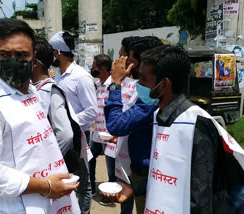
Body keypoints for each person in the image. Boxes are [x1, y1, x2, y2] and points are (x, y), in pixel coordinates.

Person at [0, 18, 80, 214]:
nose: (13, 61)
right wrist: (45, 186)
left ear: (34, 58)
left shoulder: (31, 93)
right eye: (5, 54)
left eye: (22, 54)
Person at [103, 45, 244, 214]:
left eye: (143, 79)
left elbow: (201, 197)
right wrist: (134, 189)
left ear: (164, 84)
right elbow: (164, 173)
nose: (137, 84)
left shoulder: (195, 123)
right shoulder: (159, 117)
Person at [104, 36, 163, 214]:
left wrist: (115, 83)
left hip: (148, 172)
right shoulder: (147, 93)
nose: (128, 67)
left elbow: (116, 125)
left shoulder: (150, 98)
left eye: (130, 62)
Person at [49, 31, 98, 214]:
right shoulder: (57, 75)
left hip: (79, 137)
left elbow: (92, 111)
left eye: (53, 51)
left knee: (83, 184)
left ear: (58, 53)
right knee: (63, 178)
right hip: (61, 135)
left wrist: (71, 122)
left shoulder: (81, 77)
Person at [89, 54, 116, 206]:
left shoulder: (114, 85)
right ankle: (91, 187)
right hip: (96, 133)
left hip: (109, 134)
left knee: (111, 167)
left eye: (95, 66)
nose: (92, 69)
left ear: (103, 68)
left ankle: (110, 195)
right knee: (90, 160)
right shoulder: (98, 84)